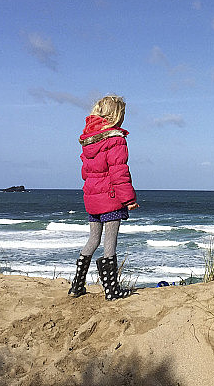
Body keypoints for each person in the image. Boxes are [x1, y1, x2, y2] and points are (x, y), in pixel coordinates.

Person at [68, 94, 139, 301]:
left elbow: (85, 174)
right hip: (110, 198)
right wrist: (128, 199)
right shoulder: (116, 140)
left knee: (92, 239)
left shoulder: (88, 143)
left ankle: (77, 285)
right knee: (110, 243)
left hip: (91, 199)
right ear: (117, 116)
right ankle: (111, 290)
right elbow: (119, 172)